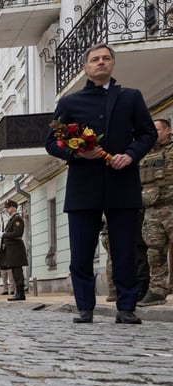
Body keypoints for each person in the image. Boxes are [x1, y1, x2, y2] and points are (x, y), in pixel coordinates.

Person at [46, 43, 156, 324]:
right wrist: (76, 152)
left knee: (125, 251)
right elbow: (51, 142)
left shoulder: (131, 97)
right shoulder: (70, 103)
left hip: (122, 183)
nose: (101, 62)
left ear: (113, 65)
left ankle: (126, 307)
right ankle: (85, 307)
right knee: (81, 253)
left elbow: (146, 134)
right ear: (85, 67)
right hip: (84, 186)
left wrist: (130, 155)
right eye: (95, 59)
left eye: (106, 58)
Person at [138, 118, 173, 306]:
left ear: (167, 130)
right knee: (154, 252)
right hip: (152, 210)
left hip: (172, 206)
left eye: (157, 130)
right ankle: (158, 290)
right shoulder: (145, 154)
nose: (154, 133)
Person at [0, 200, 28, 301]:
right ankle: (18, 293)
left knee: (17, 272)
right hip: (12, 250)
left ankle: (20, 293)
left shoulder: (17, 219)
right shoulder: (12, 220)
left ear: (14, 208)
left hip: (16, 249)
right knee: (15, 272)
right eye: (6, 208)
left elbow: (17, 233)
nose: (7, 209)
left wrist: (4, 235)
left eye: (8, 207)